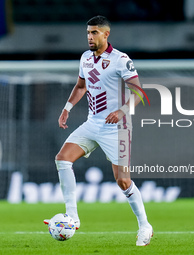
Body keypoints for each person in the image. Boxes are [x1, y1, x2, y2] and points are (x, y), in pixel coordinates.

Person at [44, 15, 153, 246]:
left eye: (94, 33)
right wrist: (67, 108)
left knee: (123, 181)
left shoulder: (121, 59)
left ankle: (145, 225)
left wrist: (122, 111)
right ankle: (72, 216)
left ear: (106, 34)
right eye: (88, 33)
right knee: (62, 159)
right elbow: (81, 86)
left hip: (118, 127)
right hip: (92, 123)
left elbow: (139, 93)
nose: (90, 37)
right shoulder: (85, 58)